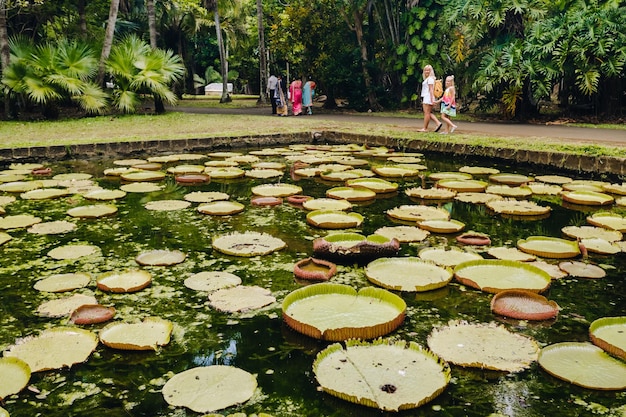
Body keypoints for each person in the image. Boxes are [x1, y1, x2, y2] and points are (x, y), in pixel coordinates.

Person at [418, 64, 442, 132]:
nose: (426, 71)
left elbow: (431, 90)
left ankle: (425, 128)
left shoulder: (430, 79)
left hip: (428, 97)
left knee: (427, 113)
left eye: (428, 70)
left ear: (431, 71)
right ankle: (438, 123)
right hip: (427, 96)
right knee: (428, 113)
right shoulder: (428, 79)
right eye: (425, 70)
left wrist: (432, 99)